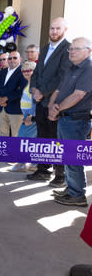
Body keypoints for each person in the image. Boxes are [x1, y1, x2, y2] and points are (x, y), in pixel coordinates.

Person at [49, 37, 92, 207]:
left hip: (76, 121)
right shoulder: (70, 67)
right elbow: (59, 90)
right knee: (66, 157)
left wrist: (57, 109)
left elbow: (78, 95)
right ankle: (71, 188)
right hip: (64, 119)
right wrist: (51, 106)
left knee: (73, 159)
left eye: (76, 49)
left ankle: (77, 195)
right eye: (71, 49)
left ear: (88, 51)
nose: (71, 51)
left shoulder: (89, 68)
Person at [28, 17, 71, 187]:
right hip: (40, 102)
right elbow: (36, 72)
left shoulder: (68, 49)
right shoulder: (45, 49)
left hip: (54, 103)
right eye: (52, 28)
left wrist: (42, 91)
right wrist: (33, 89)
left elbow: (62, 76)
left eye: (57, 28)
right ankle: (43, 170)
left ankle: (60, 174)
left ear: (65, 30)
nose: (54, 31)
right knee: (42, 139)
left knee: (56, 140)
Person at [0, 50, 27, 137]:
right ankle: (5, 151)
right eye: (10, 58)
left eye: (15, 58)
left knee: (16, 135)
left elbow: (23, 90)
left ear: (20, 59)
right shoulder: (2, 72)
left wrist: (6, 98)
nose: (12, 60)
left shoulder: (24, 71)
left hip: (15, 108)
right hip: (0, 107)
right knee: (2, 134)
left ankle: (15, 151)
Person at [10, 61, 37, 172]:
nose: (26, 73)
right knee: (33, 141)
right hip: (28, 114)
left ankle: (22, 164)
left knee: (23, 139)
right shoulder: (29, 83)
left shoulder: (34, 84)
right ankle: (34, 165)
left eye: (29, 70)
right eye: (24, 71)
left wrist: (30, 116)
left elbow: (34, 101)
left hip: (30, 115)